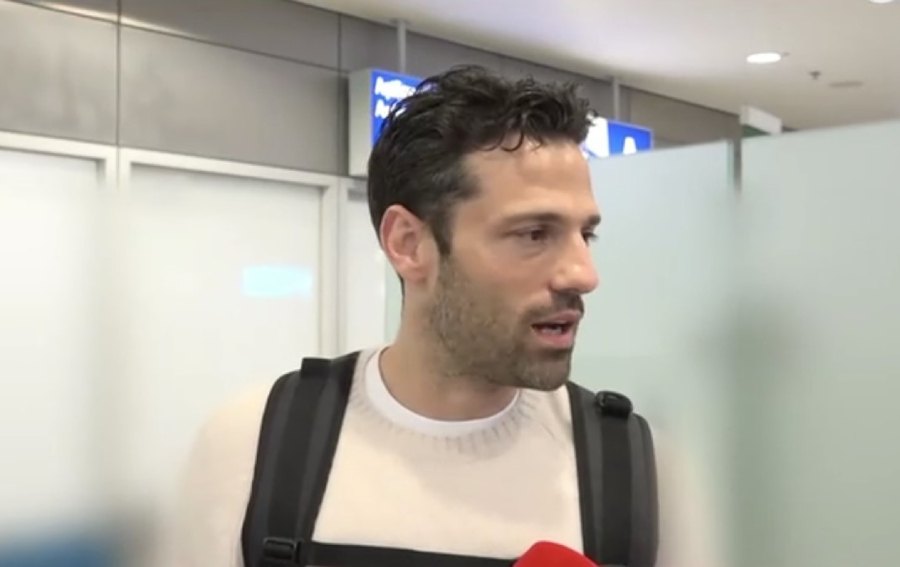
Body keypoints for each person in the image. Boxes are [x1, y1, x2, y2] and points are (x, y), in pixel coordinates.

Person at [157, 65, 717, 567]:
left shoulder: (639, 473)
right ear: (408, 243)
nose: (583, 274)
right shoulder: (255, 444)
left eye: (585, 234)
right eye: (533, 234)